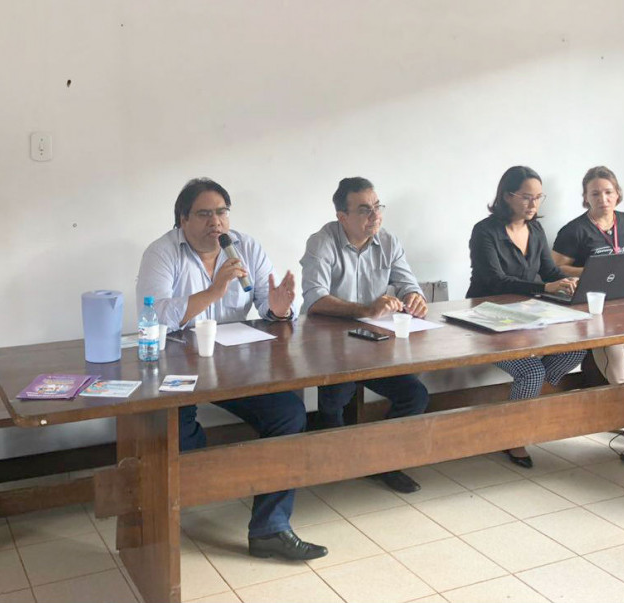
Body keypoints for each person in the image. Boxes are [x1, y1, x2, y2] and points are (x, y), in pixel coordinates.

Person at [136, 177, 327, 561]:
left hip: (236, 365)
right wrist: (213, 291)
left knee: (289, 413)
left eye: (222, 212)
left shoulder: (245, 247)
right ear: (182, 219)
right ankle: (196, 491)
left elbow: (269, 304)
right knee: (181, 441)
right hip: (178, 365)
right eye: (204, 214)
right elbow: (154, 315)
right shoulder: (162, 252)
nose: (216, 222)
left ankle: (270, 529)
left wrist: (279, 308)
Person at [300, 176, 429, 493]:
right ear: (342, 216)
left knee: (415, 395)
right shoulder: (322, 242)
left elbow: (408, 283)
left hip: (375, 344)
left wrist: (414, 297)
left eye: (377, 206)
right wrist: (366, 309)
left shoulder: (389, 242)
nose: (375, 215)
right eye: (364, 210)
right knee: (335, 399)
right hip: (329, 344)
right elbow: (315, 300)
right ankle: (338, 461)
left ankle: (381, 460)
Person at [467, 166, 587, 467]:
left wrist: (570, 282)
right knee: (531, 371)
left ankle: (521, 405)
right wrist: (545, 287)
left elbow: (550, 271)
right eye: (526, 197)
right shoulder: (485, 231)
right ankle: (513, 436)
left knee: (577, 349)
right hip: (487, 319)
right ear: (507, 196)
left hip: (527, 316)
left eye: (538, 197)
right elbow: (495, 281)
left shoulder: (535, 230)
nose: (533, 204)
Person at [552, 166, 624, 439]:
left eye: (608, 192)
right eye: (595, 194)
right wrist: (593, 270)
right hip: (593, 303)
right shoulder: (574, 230)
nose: (603, 199)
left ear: (617, 194)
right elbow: (555, 268)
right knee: (614, 346)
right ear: (586, 197)